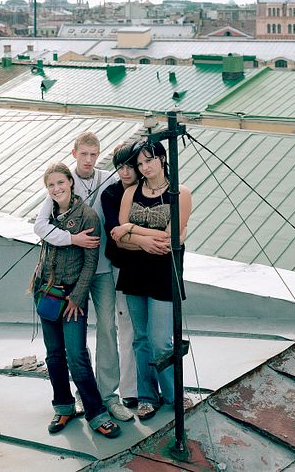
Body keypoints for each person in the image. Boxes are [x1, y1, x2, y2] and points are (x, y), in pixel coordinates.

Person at [34, 132, 133, 422]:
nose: (89, 159)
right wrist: (72, 239)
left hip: (102, 269)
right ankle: (82, 390)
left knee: (107, 328)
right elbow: (40, 226)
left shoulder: (109, 179)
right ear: (74, 153)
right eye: (84, 154)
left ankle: (108, 394)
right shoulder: (62, 182)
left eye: (94, 154)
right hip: (71, 274)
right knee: (74, 341)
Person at [111, 140, 193, 421]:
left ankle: (174, 393)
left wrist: (131, 229)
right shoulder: (131, 192)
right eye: (140, 164)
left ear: (161, 158)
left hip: (162, 274)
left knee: (160, 341)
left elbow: (170, 239)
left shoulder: (180, 193)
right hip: (134, 272)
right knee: (141, 339)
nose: (144, 168)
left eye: (149, 161)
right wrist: (142, 240)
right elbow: (120, 240)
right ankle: (148, 396)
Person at [100, 142, 167, 410]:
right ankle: (133, 389)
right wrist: (144, 242)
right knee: (130, 329)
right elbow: (117, 233)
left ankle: (161, 389)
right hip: (125, 268)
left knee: (157, 335)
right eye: (121, 166)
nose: (126, 171)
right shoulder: (112, 194)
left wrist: (136, 235)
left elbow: (168, 232)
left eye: (131, 165)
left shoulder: (151, 189)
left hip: (155, 269)